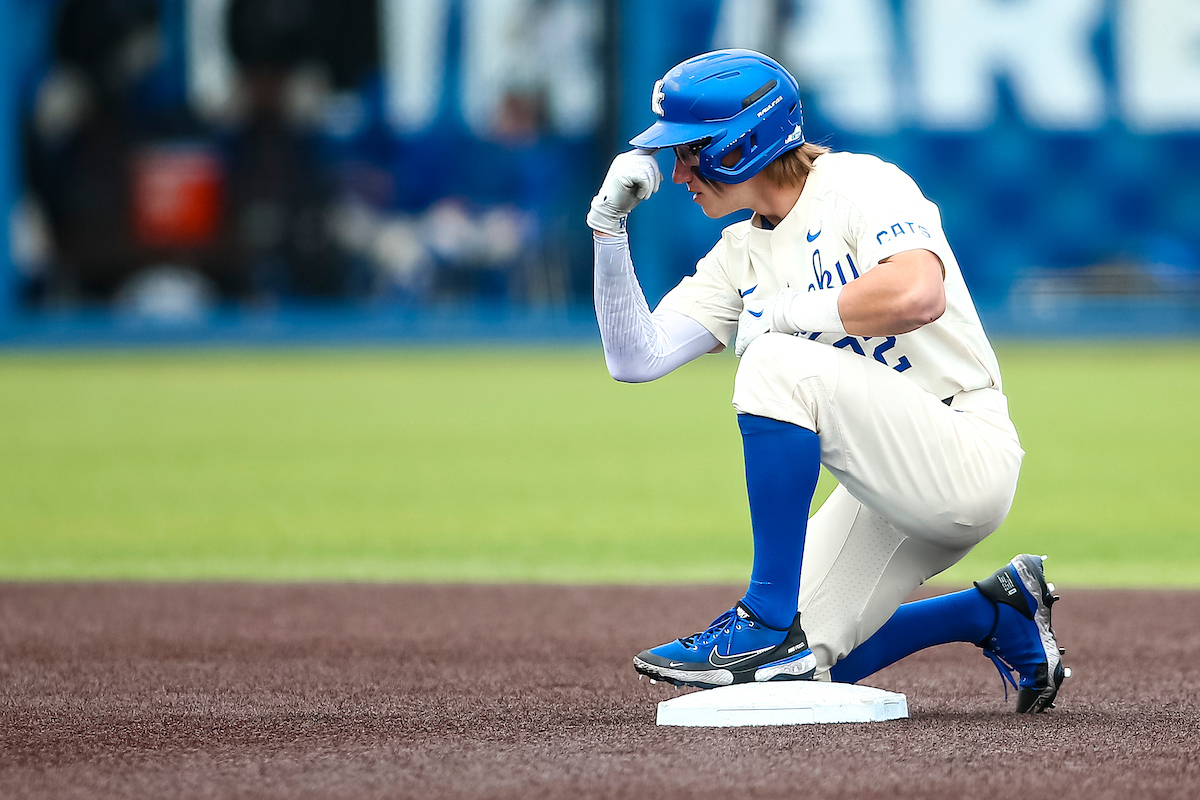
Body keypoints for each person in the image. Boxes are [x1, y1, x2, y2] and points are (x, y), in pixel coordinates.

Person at [586, 49, 1070, 712]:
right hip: (884, 477)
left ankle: (763, 619)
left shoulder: (857, 185)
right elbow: (634, 359)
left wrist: (783, 312)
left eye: (688, 151)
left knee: (775, 361)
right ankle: (995, 613)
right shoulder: (739, 254)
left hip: (963, 448)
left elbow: (918, 291)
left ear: (739, 142)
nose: (676, 174)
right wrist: (607, 226)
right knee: (789, 682)